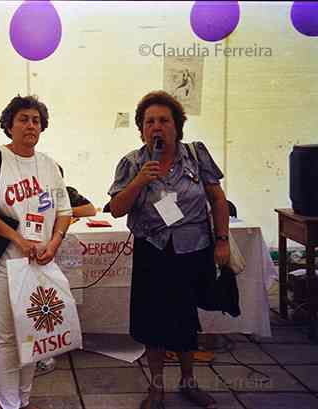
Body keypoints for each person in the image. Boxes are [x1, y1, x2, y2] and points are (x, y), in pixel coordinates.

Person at [107, 90, 229, 409]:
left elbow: (217, 200)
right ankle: (157, 387)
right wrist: (138, 182)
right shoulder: (132, 162)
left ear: (177, 126)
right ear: (141, 128)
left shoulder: (195, 154)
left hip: (193, 249)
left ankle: (188, 382)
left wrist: (222, 241)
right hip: (153, 250)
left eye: (164, 120)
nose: (157, 127)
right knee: (153, 322)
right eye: (150, 122)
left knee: (186, 319)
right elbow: (117, 209)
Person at [0, 95, 73, 409]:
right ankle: (9, 403)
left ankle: (24, 399)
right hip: (0, 260)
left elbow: (64, 210)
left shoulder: (48, 164)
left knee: (33, 333)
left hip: (38, 259)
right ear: (9, 124)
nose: (30, 125)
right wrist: (19, 239)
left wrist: (53, 243)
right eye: (23, 119)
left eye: (36, 120)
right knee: (5, 336)